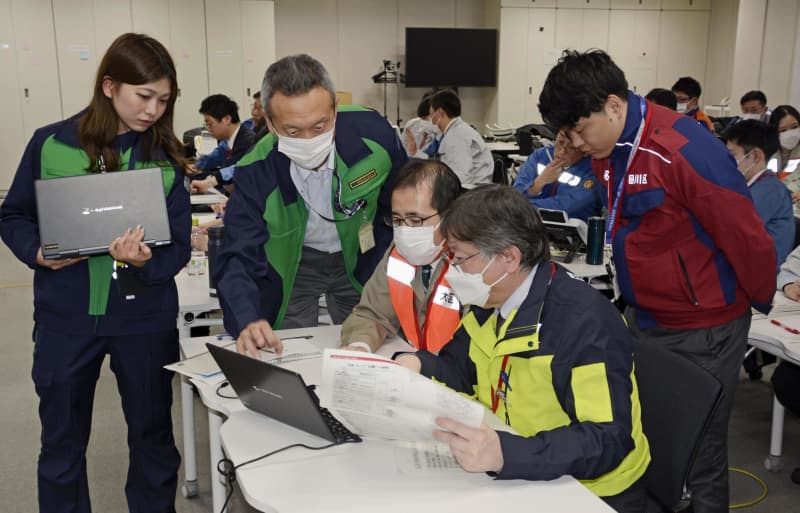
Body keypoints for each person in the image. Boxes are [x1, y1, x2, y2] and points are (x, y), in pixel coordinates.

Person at [539, 49, 776, 513]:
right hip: (647, 316)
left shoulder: (682, 148)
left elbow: (745, 234)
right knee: (654, 440)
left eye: (580, 130)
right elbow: (562, 200)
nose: (580, 143)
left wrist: (753, 302)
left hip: (704, 324)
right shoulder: (609, 146)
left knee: (698, 453)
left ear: (611, 105)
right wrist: (561, 157)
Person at [0, 33, 189, 513]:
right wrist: (38, 253)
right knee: (62, 443)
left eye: (163, 100)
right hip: (67, 317)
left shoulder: (165, 156)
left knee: (152, 437)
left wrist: (147, 262)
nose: (153, 109)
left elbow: (181, 245)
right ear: (109, 85)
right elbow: (13, 215)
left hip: (143, 319)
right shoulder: (51, 143)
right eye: (143, 96)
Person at [394, 185, 650, 513]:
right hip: (521, 461)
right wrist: (417, 366)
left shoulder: (584, 323)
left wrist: (507, 453)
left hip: (589, 490)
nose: (452, 269)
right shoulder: (490, 301)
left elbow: (606, 438)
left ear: (509, 258)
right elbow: (461, 371)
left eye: (459, 258)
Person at [214, 54, 407, 357]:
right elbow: (237, 253)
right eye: (292, 131)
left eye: (319, 126)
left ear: (334, 109)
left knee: (370, 344)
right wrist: (247, 319)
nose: (308, 140)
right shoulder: (255, 171)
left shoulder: (376, 137)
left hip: (362, 258)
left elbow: (398, 205)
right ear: (268, 120)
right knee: (289, 350)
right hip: (296, 263)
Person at [341, 158, 463, 353]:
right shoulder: (399, 253)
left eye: (415, 220)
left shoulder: (475, 264)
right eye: (397, 219)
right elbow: (372, 313)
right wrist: (360, 346)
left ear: (450, 215)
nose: (405, 231)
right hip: (415, 369)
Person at [725, 120, 794, 269]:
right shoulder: (755, 186)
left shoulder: (770, 190)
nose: (726, 161)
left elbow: (730, 232)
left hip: (761, 275)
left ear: (755, 156)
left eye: (731, 155)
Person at [512, 130, 601, 221]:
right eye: (560, 142)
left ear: (586, 150)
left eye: (572, 148)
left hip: (574, 229)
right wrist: (538, 183)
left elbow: (563, 206)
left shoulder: (593, 170)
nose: (562, 152)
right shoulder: (539, 156)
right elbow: (516, 195)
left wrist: (521, 209)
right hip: (532, 224)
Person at [190, 94, 256, 194]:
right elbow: (215, 157)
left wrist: (208, 181)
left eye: (209, 124)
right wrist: (196, 167)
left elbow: (231, 174)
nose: (208, 128)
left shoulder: (247, 142)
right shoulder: (227, 141)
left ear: (227, 119)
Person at [428, 89, 493, 187]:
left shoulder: (456, 136)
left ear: (440, 113)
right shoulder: (458, 131)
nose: (430, 119)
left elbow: (460, 177)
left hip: (471, 194)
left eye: (431, 114)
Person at [403, 93, 438, 158]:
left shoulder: (441, 135)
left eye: (425, 118)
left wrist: (416, 152)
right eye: (422, 118)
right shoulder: (411, 124)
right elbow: (403, 146)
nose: (423, 122)